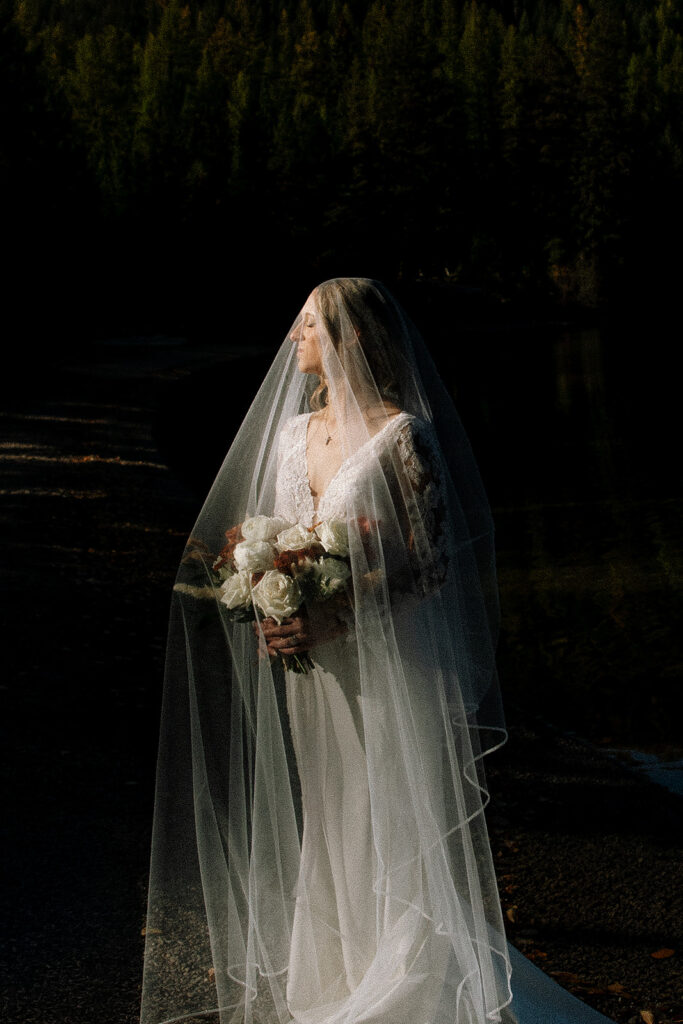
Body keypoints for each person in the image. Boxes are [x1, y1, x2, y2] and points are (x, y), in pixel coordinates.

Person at [140, 279, 615, 1024]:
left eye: (306, 326)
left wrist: (333, 619)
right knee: (330, 813)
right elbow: (273, 540)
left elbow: (430, 565)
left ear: (350, 338)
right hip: (312, 666)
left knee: (386, 810)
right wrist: (271, 602)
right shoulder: (293, 435)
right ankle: (339, 971)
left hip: (389, 663)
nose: (293, 339)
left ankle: (408, 979)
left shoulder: (404, 436)